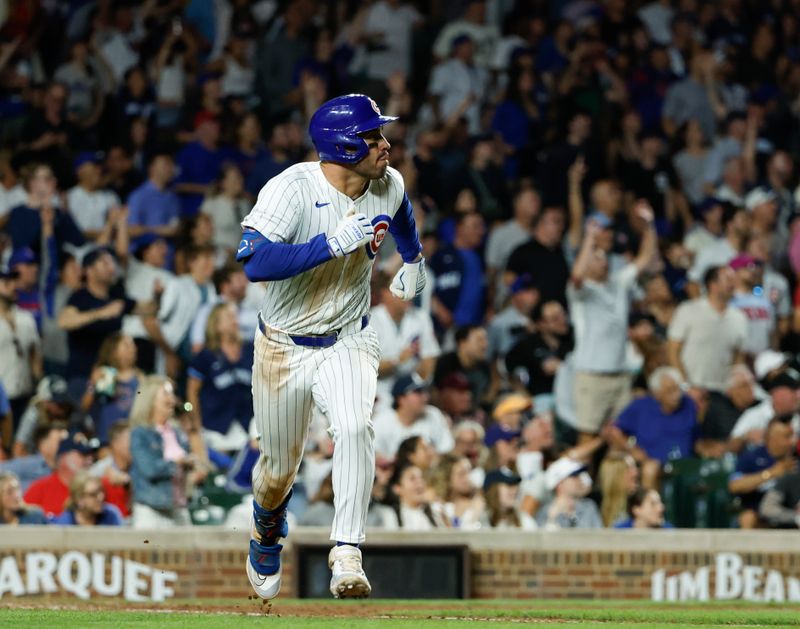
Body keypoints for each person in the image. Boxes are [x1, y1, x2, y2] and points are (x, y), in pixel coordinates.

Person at [235, 94, 425, 600]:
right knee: (277, 471)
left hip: (349, 336)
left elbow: (400, 213)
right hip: (284, 346)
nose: (384, 144)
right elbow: (253, 261)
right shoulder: (292, 189)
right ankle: (268, 524)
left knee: (355, 425)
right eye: (372, 137)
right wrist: (328, 246)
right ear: (343, 145)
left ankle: (347, 551)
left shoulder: (388, 182)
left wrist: (412, 259)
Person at [568, 203, 658, 442]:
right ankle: (583, 480)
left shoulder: (618, 283)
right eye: (596, 259)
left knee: (622, 436)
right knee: (588, 435)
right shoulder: (581, 292)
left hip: (620, 374)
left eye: (604, 257)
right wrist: (589, 239)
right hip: (591, 375)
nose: (603, 262)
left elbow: (645, 258)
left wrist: (649, 226)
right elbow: (576, 275)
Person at [128, 376, 206, 529]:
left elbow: (195, 462)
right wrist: (178, 463)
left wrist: (193, 465)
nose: (172, 399)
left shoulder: (177, 432)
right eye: (166, 394)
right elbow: (149, 469)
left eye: (172, 394)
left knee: (189, 552)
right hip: (151, 510)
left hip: (179, 506)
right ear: (150, 399)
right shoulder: (140, 433)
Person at [607, 367, 703, 488]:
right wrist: (632, 449)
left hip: (684, 464)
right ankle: (652, 504)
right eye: (670, 391)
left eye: (678, 389)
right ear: (657, 394)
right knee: (650, 469)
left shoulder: (688, 405)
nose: (677, 395)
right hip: (653, 464)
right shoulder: (641, 406)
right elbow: (613, 430)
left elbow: (696, 438)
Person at [667, 266, 747, 392]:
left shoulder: (739, 317)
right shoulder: (688, 310)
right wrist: (684, 384)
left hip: (722, 391)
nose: (733, 284)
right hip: (691, 389)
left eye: (733, 279)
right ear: (712, 284)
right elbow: (673, 351)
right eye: (728, 279)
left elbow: (737, 357)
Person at [186, 303, 254, 453]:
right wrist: (196, 425)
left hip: (246, 425)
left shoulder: (251, 350)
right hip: (214, 428)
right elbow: (191, 394)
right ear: (216, 325)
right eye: (229, 317)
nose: (234, 321)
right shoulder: (205, 356)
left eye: (235, 316)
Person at [369, 271, 440, 409]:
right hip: (378, 393)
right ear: (385, 293)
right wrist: (397, 361)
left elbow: (429, 359)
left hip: (412, 391)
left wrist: (415, 385)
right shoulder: (370, 320)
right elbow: (367, 367)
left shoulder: (421, 317)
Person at [728, 419, 797, 529]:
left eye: (793, 437)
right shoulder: (752, 457)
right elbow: (735, 486)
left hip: (789, 514)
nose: (792, 441)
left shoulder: (795, 459)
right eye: (787, 437)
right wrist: (771, 473)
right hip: (759, 515)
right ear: (772, 439)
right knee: (747, 517)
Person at [372, 374, 454, 460]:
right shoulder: (383, 420)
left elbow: (447, 448)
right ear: (401, 398)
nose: (425, 397)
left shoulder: (433, 414)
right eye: (418, 392)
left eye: (425, 391)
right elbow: (374, 453)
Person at [0, 265, 42, 424]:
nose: (13, 285)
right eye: (6, 282)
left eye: (13, 281)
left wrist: (39, 386)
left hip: (25, 394)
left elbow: (34, 355)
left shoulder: (26, 318)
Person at [23, 435, 92, 518]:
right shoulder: (39, 489)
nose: (89, 459)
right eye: (82, 455)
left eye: (90, 455)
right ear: (64, 458)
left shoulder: (96, 490)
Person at [536, 457, 603, 530]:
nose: (580, 479)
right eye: (574, 476)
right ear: (560, 483)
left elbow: (600, 538)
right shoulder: (545, 511)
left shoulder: (589, 507)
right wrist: (551, 518)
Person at [431, 453, 484, 529]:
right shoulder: (437, 507)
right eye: (461, 474)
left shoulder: (479, 503)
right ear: (448, 479)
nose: (467, 478)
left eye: (469, 472)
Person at [51, 470, 123, 526]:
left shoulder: (111, 515)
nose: (101, 497)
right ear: (79, 500)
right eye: (93, 494)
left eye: (101, 491)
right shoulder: (65, 523)